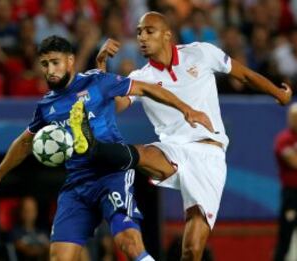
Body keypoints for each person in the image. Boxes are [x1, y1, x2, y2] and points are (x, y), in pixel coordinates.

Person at [72, 11, 292, 261]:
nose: (142, 37)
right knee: (141, 154)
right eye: (139, 32)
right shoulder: (140, 78)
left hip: (210, 157)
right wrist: (101, 71)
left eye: (149, 31)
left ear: (167, 35)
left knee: (191, 251)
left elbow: (243, 75)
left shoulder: (201, 52)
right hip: (173, 150)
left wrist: (278, 93)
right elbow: (115, 106)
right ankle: (94, 150)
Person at [0, 35, 213, 261]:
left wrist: (186, 109)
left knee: (128, 242)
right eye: (45, 64)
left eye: (55, 62)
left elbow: (149, 88)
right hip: (77, 183)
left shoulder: (97, 82)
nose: (50, 70)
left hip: (111, 173)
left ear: (70, 60)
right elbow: (25, 141)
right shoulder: (46, 105)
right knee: (59, 256)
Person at [274, 103, 297, 261]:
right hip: (292, 194)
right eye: (293, 117)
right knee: (286, 236)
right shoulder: (284, 139)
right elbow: (294, 162)